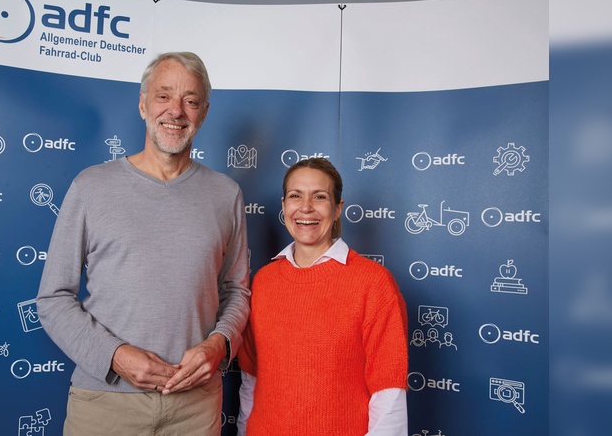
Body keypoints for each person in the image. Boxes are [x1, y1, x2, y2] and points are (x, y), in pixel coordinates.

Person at [36, 51, 251, 435]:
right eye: (163, 96)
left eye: (190, 100)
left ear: (203, 113)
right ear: (142, 104)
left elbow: (236, 291)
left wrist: (219, 344)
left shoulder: (226, 195)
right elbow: (53, 299)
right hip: (105, 402)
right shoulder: (91, 186)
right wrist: (114, 356)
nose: (176, 111)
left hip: (195, 405)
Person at [237, 158, 408, 435]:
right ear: (284, 205)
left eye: (319, 197)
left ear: (337, 208)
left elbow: (389, 393)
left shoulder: (374, 283)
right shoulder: (263, 281)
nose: (306, 207)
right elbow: (250, 379)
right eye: (296, 196)